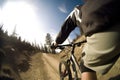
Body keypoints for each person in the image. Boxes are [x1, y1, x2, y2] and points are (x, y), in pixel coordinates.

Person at [52, 0, 120, 80]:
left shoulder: (79, 10)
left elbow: (65, 27)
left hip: (107, 27)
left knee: (85, 65)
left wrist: (56, 42)